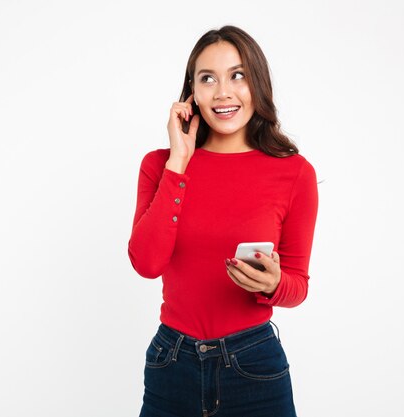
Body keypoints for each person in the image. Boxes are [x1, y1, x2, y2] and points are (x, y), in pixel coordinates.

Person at [127, 25, 318, 417]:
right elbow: (146, 264)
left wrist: (274, 284)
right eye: (207, 79)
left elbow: (298, 285)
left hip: (254, 365)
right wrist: (179, 161)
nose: (223, 92)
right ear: (191, 94)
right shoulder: (158, 165)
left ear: (257, 84)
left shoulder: (294, 173)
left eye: (238, 75)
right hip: (171, 362)